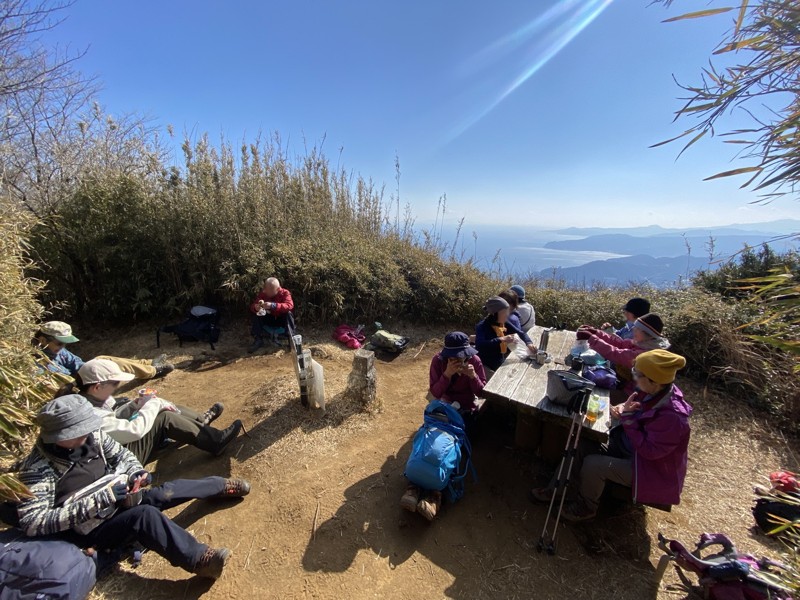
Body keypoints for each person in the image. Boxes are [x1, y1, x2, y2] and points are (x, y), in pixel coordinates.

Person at [15, 395, 251, 580]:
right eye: (79, 432)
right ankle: (200, 559)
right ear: (58, 435)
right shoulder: (37, 470)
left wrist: (135, 472)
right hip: (93, 528)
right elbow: (34, 522)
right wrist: (101, 499)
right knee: (144, 516)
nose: (87, 435)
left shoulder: (92, 437)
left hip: (119, 500)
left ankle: (219, 486)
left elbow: (122, 455)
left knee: (162, 492)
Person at [532, 350, 691, 521]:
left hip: (648, 469)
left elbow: (650, 451)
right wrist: (623, 408)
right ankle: (560, 489)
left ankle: (586, 507)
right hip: (628, 449)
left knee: (594, 465)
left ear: (654, 380)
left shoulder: (673, 417)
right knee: (582, 442)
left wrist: (628, 420)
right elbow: (635, 410)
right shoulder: (652, 391)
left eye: (637, 374)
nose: (634, 378)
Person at [76, 359, 242, 464]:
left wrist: (136, 405)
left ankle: (200, 422)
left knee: (159, 408)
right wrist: (153, 406)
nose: (116, 387)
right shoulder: (87, 415)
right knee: (162, 416)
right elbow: (132, 431)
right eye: (114, 384)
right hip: (117, 463)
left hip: (118, 447)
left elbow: (115, 418)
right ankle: (216, 441)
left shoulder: (89, 400)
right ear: (97, 387)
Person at [33, 321, 174, 380]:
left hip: (80, 377)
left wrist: (92, 367)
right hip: (75, 388)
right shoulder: (38, 362)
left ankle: (148, 363)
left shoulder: (57, 350)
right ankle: (153, 371)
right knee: (102, 362)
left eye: (65, 343)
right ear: (43, 340)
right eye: (60, 343)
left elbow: (76, 363)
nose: (63, 347)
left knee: (102, 360)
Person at [577, 313, 670, 400]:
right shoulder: (644, 343)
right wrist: (596, 332)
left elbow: (617, 354)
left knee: (587, 394)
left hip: (633, 395)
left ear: (648, 334)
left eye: (637, 329)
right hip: (625, 384)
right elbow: (620, 344)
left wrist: (592, 339)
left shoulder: (647, 354)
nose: (634, 330)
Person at [475, 296, 538, 374]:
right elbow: (480, 345)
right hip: (485, 364)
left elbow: (520, 333)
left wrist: (529, 343)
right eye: (504, 312)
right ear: (495, 314)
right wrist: (502, 339)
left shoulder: (503, 323)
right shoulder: (482, 326)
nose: (507, 315)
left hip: (499, 359)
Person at [248, 277, 294, 353]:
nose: (266, 292)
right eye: (266, 289)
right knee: (257, 314)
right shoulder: (263, 294)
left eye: (270, 291)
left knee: (288, 314)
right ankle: (258, 339)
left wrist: (273, 305)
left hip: (281, 319)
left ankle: (291, 340)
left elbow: (289, 305)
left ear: (278, 289)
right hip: (269, 318)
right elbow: (253, 306)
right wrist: (256, 307)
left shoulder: (285, 293)